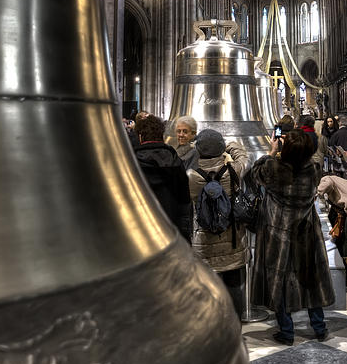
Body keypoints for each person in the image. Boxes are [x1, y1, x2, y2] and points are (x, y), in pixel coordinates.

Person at [250, 129, 334, 344]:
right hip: (305, 231)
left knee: (278, 280)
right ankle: (319, 328)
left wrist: (271, 151)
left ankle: (287, 332)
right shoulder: (314, 170)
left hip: (278, 233)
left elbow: (255, 173)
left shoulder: (273, 169)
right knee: (310, 280)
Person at [187, 129, 250, 318]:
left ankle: (214, 332)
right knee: (233, 289)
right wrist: (229, 145)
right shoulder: (232, 171)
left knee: (207, 292)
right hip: (232, 240)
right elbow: (245, 157)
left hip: (203, 242)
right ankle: (235, 330)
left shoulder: (191, 176)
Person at [132, 114, 192, 242]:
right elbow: (185, 201)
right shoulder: (175, 161)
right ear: (161, 135)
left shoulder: (130, 163)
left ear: (140, 136)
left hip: (139, 232)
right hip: (170, 230)